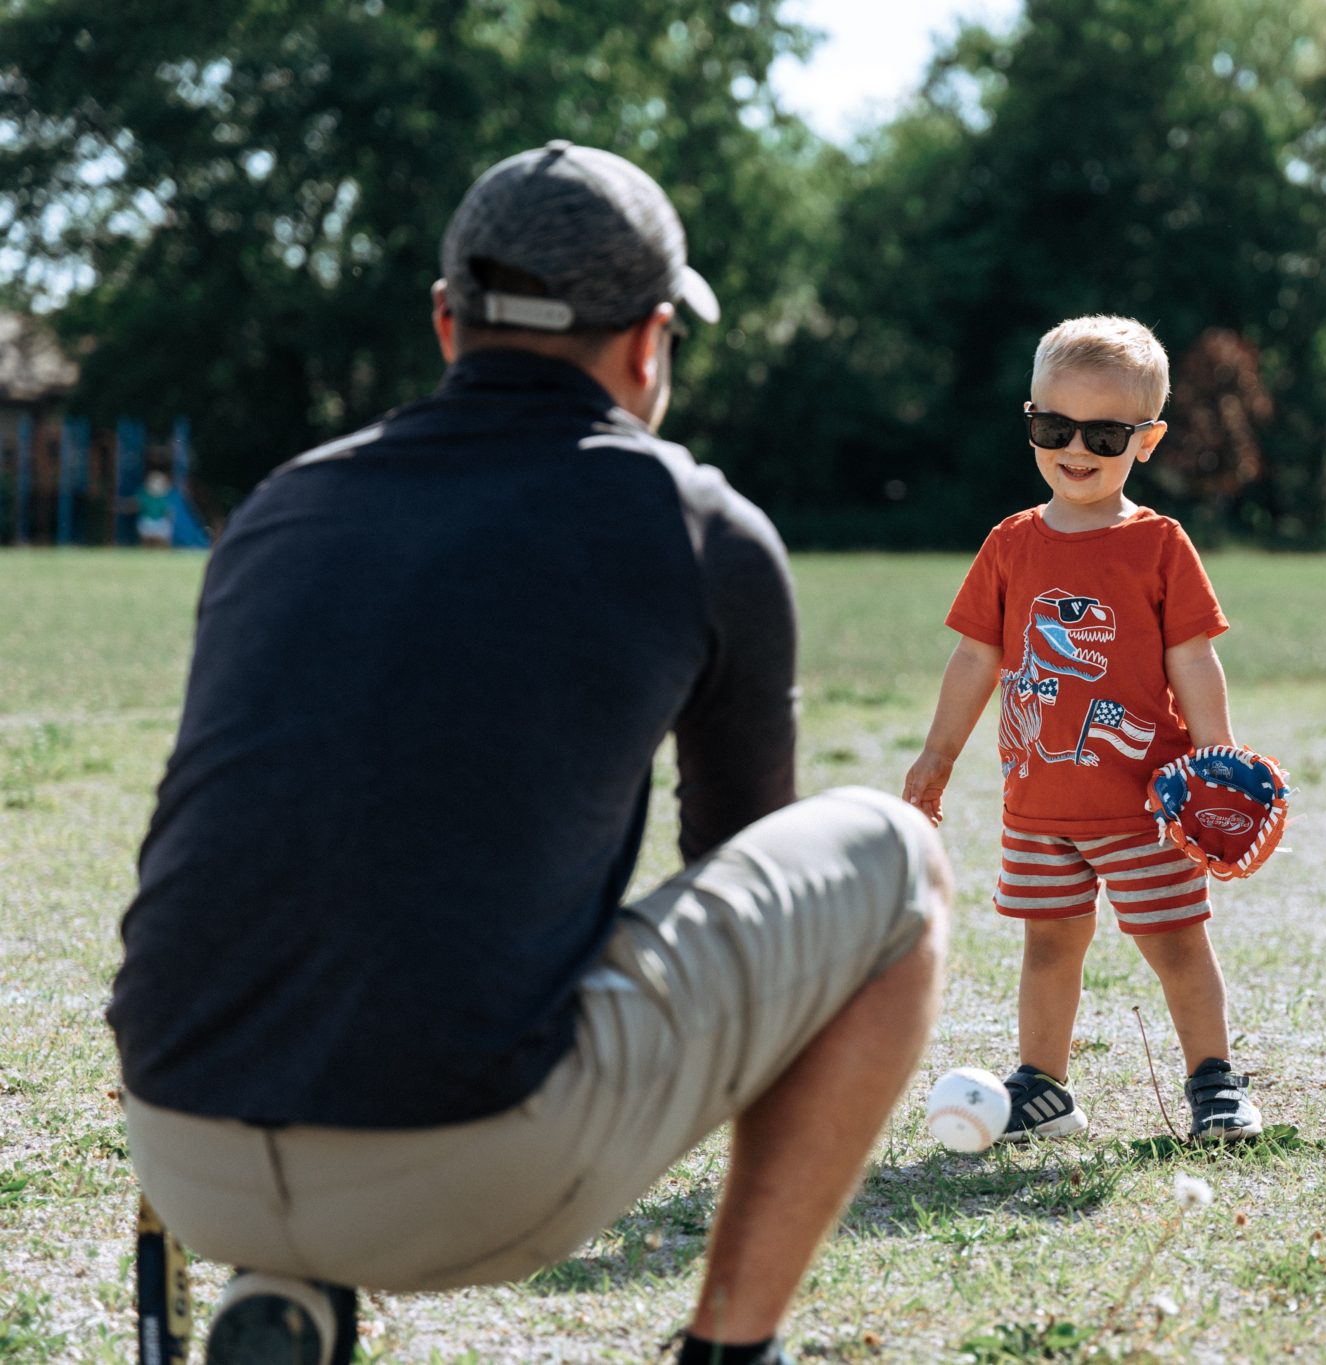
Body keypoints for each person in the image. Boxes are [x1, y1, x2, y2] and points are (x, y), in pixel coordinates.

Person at [107, 140, 950, 1365]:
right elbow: (742, 865)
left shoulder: (285, 502)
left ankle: (286, 1290)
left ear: (448, 323)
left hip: (181, 1140)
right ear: (650, 342)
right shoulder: (698, 523)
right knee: (892, 860)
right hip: (477, 1173)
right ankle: (733, 1347)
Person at [900, 315, 1259, 1144]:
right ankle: (1045, 1084)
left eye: (1104, 432)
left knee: (1175, 944)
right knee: (1048, 946)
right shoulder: (1011, 543)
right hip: (1040, 803)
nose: (1076, 448)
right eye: (1053, 427)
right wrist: (937, 754)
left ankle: (1215, 1082)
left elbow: (1195, 658)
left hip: (1142, 804)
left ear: (1148, 439)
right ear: (1031, 420)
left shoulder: (1159, 544)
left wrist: (1216, 754)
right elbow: (974, 658)